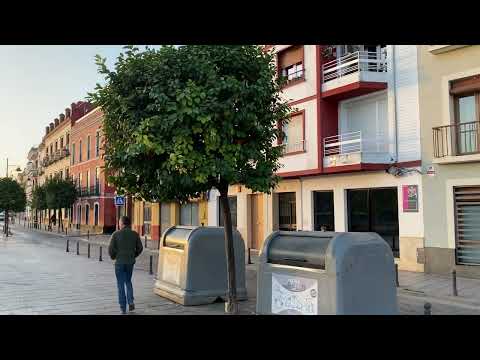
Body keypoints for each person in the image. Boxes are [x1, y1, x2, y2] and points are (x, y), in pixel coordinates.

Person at [108, 216, 143, 315]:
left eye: (119, 222)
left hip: (119, 262)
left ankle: (123, 307)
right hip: (130, 262)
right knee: (128, 281)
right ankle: (131, 301)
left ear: (122, 223)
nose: (119, 224)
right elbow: (140, 248)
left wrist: (114, 256)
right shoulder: (135, 234)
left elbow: (110, 250)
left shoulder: (116, 234)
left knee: (120, 284)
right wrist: (133, 255)